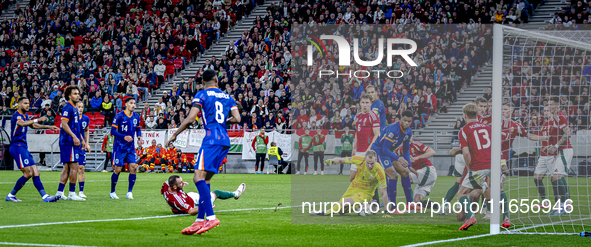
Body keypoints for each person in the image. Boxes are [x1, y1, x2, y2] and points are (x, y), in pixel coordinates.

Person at [166, 69, 241, 235]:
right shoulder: (228, 97)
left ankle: (211, 217)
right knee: (205, 180)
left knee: (196, 177)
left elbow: (191, 118)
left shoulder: (201, 95)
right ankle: (199, 220)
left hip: (211, 140)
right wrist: (223, 122)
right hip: (224, 141)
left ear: (203, 81)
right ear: (216, 79)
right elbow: (237, 118)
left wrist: (174, 134)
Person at [5, 97, 60, 202]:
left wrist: (48, 127)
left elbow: (33, 125)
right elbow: (21, 123)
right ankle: (11, 195)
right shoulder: (17, 115)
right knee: (28, 172)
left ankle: (45, 197)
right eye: (25, 103)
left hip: (23, 147)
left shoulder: (25, 116)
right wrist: (37, 119)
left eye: (28, 103)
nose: (27, 105)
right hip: (17, 146)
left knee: (36, 172)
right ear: (19, 104)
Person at [315, 151, 391, 217]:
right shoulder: (359, 160)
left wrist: (387, 212)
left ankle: (326, 212)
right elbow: (342, 160)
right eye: (368, 163)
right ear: (364, 159)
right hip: (353, 188)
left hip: (366, 193)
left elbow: (384, 193)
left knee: (344, 203)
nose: (370, 166)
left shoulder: (380, 171)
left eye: (372, 163)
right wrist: (332, 161)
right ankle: (365, 205)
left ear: (376, 160)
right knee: (341, 211)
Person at [370, 110, 415, 211]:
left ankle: (410, 204)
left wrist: (410, 166)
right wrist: (399, 159)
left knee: (405, 172)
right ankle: (393, 207)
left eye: (409, 121)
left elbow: (406, 150)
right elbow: (384, 149)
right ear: (400, 119)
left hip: (388, 152)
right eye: (405, 120)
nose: (407, 123)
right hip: (378, 152)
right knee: (393, 175)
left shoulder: (409, 131)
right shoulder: (392, 129)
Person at [457, 103, 492, 231]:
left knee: (462, 193)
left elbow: (466, 153)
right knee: (497, 189)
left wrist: (469, 168)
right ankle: (504, 217)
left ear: (464, 115)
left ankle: (471, 216)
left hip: (478, 166)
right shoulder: (488, 127)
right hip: (492, 164)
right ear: (477, 114)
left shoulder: (464, 130)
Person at [55, 86, 87, 201]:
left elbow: (77, 127)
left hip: (71, 141)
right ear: (69, 95)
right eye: (75, 94)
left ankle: (59, 193)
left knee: (66, 168)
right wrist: (74, 137)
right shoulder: (67, 107)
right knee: (74, 166)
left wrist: (82, 140)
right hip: (68, 142)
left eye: (78, 93)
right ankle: (72, 193)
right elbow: (64, 124)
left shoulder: (74, 108)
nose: (77, 95)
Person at [161, 175, 245, 215]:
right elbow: (191, 211)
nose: (183, 183)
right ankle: (236, 194)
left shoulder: (167, 185)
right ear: (174, 186)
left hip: (188, 196)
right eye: (180, 183)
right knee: (216, 193)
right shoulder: (177, 200)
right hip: (193, 203)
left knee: (200, 192)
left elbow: (162, 191)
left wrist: (180, 186)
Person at [110, 97, 142, 200]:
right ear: (126, 104)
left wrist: (139, 136)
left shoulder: (136, 116)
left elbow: (138, 128)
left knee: (133, 167)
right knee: (118, 169)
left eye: (134, 103)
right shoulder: (119, 116)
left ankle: (129, 192)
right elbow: (113, 131)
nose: (133, 105)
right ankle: (112, 191)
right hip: (119, 147)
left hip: (131, 148)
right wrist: (123, 137)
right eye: (131, 103)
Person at [394, 138, 437, 211]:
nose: (409, 138)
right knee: (417, 201)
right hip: (421, 176)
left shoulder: (416, 144)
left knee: (405, 178)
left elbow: (432, 152)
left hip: (427, 171)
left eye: (410, 136)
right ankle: (441, 207)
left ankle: (410, 204)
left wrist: (417, 157)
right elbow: (392, 157)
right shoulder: (400, 149)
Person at [352, 95, 380, 177]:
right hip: (358, 150)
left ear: (371, 104)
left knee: (368, 177)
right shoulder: (358, 116)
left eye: (367, 103)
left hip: (368, 151)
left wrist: (369, 148)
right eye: (363, 102)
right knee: (352, 177)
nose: (365, 105)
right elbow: (357, 132)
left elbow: (377, 134)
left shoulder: (373, 116)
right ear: (360, 103)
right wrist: (354, 148)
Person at [76, 102, 90, 198]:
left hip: (82, 147)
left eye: (82, 107)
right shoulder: (72, 118)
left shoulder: (86, 119)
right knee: (70, 170)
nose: (80, 109)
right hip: (72, 146)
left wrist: (87, 143)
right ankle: (65, 191)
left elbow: (86, 130)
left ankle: (81, 191)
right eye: (79, 107)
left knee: (81, 169)